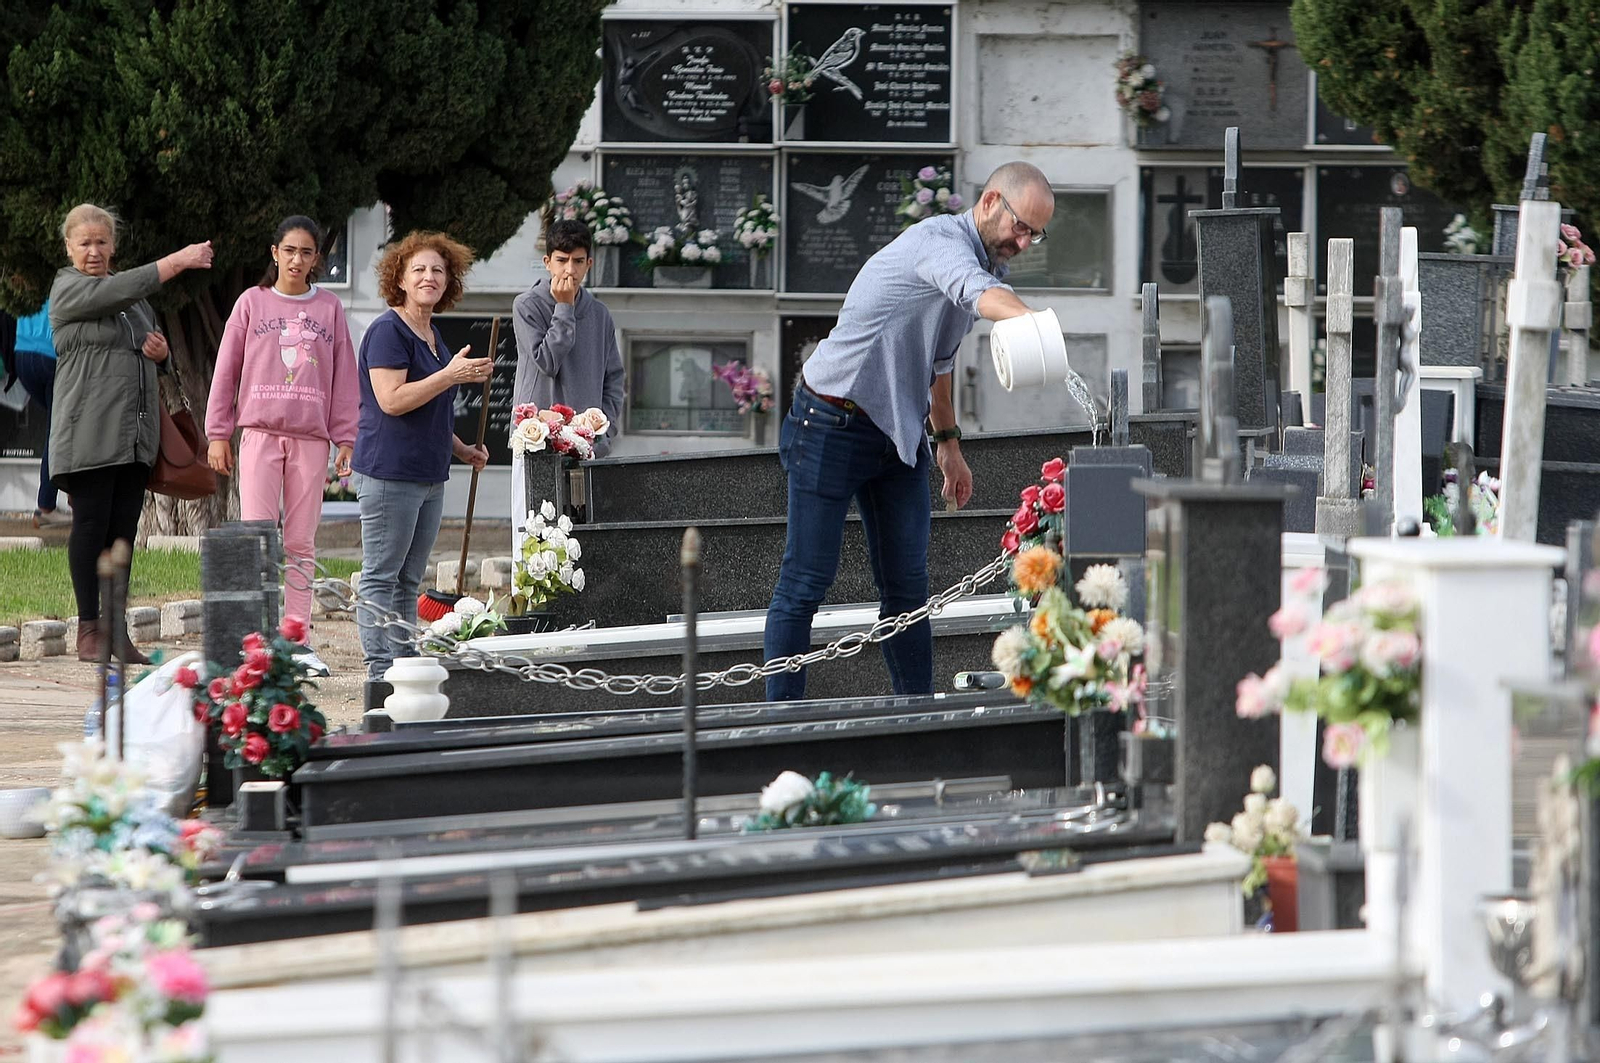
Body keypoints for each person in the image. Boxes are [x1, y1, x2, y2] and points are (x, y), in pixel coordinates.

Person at [762, 162, 1055, 701]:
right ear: (990, 201)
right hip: (829, 418)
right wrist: (1039, 324)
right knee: (806, 582)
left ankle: (917, 720)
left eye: (1035, 233)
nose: (1025, 241)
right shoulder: (939, 242)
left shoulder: (991, 267)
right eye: (1020, 226)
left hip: (896, 434)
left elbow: (939, 362)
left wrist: (948, 445)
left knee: (908, 591)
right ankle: (779, 727)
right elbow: (975, 294)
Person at [48, 203, 213, 662]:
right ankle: (88, 632)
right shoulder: (68, 288)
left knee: (122, 533)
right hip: (89, 433)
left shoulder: (136, 305)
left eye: (102, 242)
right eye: (85, 243)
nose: (94, 251)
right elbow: (117, 290)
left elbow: (146, 345)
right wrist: (176, 262)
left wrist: (161, 356)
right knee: (91, 526)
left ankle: (117, 630)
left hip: (134, 436)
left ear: (113, 245)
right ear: (69, 248)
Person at [204, 216, 358, 674]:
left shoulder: (330, 308)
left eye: (306, 252)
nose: (296, 259)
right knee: (257, 539)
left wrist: (345, 438)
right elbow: (226, 369)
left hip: (311, 441)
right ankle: (256, 640)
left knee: (301, 543)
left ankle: (296, 638)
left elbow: (345, 378)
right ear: (275, 252)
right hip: (260, 437)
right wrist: (218, 433)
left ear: (317, 259)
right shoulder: (251, 303)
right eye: (289, 250)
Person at [352, 230, 491, 679]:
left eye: (438, 270)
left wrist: (462, 449)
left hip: (430, 475)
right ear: (401, 279)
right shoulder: (387, 331)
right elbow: (391, 400)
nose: (430, 277)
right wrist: (450, 376)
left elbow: (430, 409)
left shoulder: (432, 334)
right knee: (381, 576)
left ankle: (403, 663)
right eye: (419, 270)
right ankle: (379, 669)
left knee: (408, 580)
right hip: (391, 473)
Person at [510, 218, 624, 538]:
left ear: (589, 263)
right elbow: (547, 360)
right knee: (533, 544)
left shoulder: (600, 314)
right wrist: (564, 308)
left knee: (581, 544)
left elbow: (613, 378)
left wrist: (606, 433)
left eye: (577, 261)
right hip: (536, 445)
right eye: (561, 260)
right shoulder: (526, 306)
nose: (569, 271)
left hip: (585, 448)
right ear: (547, 262)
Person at [11, 304, 68, 527]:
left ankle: (60, 499)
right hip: (53, 354)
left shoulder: (35, 273)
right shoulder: (72, 272)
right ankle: (46, 506)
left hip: (22, 352)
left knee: (60, 426)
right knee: (59, 429)